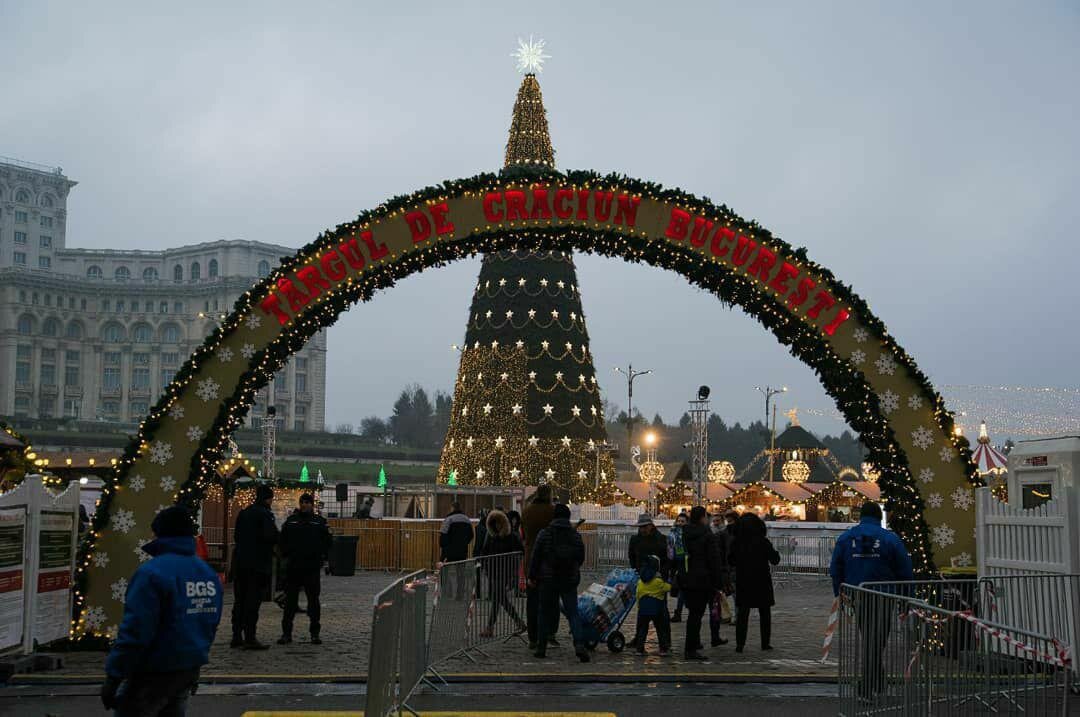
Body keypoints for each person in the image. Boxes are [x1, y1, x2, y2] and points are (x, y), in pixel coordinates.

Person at [102, 506, 222, 716]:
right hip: (187, 668)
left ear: (159, 532)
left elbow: (136, 630)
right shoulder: (207, 574)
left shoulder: (152, 573)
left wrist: (114, 674)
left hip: (153, 669)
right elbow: (209, 623)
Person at [830, 501, 914, 696]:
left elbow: (835, 568)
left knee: (870, 638)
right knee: (876, 640)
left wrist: (839, 592)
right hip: (884, 595)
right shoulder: (890, 538)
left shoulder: (846, 538)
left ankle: (875, 683)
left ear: (861, 516)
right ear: (879, 517)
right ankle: (869, 687)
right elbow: (905, 570)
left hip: (856, 594)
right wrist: (906, 597)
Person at [528, 503, 589, 662]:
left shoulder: (545, 533)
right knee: (572, 613)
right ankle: (579, 644)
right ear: (568, 517)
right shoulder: (575, 535)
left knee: (544, 612)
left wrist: (532, 576)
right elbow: (581, 556)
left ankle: (541, 647)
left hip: (548, 579)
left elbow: (536, 557)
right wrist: (573, 569)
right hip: (569, 579)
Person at [277, 493, 332, 645]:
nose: (305, 505)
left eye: (308, 502)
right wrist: (287, 555)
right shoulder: (291, 521)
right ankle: (286, 633)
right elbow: (283, 541)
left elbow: (328, 542)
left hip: (311, 567)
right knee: (290, 603)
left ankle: (315, 633)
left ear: (312, 505)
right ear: (300, 504)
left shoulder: (319, 522)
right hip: (294, 567)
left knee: (313, 602)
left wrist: (321, 557)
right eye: (303, 502)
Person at [230, 483, 279, 650]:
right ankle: (250, 637)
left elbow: (236, 536)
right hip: (258, 564)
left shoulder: (244, 513)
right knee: (253, 601)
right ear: (268, 499)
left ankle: (236, 635)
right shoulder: (265, 514)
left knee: (240, 600)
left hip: (240, 562)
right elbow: (270, 536)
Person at [728, 512, 781, 652]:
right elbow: (775, 559)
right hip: (762, 580)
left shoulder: (736, 542)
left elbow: (730, 560)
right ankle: (765, 643)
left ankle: (740, 644)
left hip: (743, 580)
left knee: (742, 615)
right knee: (765, 613)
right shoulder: (762, 541)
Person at [677, 506, 721, 660]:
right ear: (702, 517)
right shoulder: (707, 535)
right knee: (697, 615)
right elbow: (713, 559)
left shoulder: (684, 533)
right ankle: (690, 649)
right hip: (703, 579)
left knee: (693, 613)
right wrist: (718, 581)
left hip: (687, 578)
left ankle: (694, 644)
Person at [479, 509, 527, 637]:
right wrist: (485, 566)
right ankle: (518, 623)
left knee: (499, 598)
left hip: (505, 572)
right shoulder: (491, 536)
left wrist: (513, 573)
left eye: (499, 523)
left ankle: (492, 627)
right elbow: (484, 552)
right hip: (494, 572)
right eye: (494, 524)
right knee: (499, 599)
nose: (497, 526)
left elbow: (520, 552)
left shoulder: (511, 537)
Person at [522, 485, 556, 650]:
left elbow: (524, 533)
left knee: (532, 600)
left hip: (530, 558)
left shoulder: (527, 511)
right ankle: (548, 633)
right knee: (549, 600)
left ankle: (532, 637)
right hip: (548, 560)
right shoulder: (552, 511)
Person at [633, 555, 672, 656]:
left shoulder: (640, 582)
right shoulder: (658, 581)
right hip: (657, 610)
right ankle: (663, 649)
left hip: (643, 609)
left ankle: (639, 649)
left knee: (642, 630)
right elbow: (668, 587)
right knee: (660, 629)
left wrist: (639, 607)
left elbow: (637, 595)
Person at [439, 502, 474, 601]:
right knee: (460, 574)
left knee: (444, 571)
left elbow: (443, 535)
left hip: (448, 552)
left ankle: (447, 592)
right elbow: (471, 535)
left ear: (452, 508)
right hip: (462, 552)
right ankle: (460, 595)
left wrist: (444, 546)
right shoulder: (467, 520)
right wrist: (463, 544)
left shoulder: (448, 519)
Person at [667, 512, 688, 622]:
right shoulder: (672, 532)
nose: (680, 523)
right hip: (677, 563)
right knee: (681, 589)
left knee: (684, 589)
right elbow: (670, 548)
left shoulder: (689, 533)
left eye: (682, 521)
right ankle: (678, 611)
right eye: (678, 521)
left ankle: (679, 611)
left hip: (687, 562)